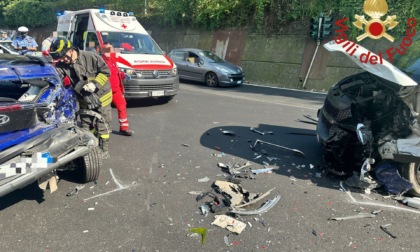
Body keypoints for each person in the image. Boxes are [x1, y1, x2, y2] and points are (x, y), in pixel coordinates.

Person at [49, 37, 113, 159]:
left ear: (70, 50)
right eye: (60, 58)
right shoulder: (62, 64)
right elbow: (58, 79)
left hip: (101, 97)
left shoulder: (90, 57)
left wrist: (95, 84)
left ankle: (103, 150)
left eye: (64, 56)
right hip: (84, 98)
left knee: (102, 126)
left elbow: (106, 71)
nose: (63, 60)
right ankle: (89, 149)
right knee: (85, 125)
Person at [100, 42, 133, 136]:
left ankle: (124, 128)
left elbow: (116, 73)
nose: (108, 51)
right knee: (103, 110)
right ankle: (101, 128)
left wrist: (124, 75)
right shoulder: (100, 61)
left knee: (122, 106)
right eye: (106, 49)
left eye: (110, 49)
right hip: (105, 90)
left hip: (116, 90)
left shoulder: (112, 60)